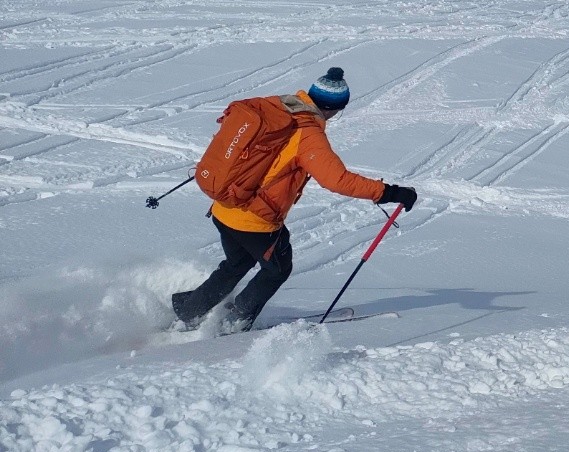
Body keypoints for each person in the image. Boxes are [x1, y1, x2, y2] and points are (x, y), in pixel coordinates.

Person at [171, 68, 418, 332]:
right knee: (277, 269)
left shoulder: (279, 108)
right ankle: (234, 323)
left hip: (225, 207)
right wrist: (390, 192)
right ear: (335, 108)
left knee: (236, 264)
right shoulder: (308, 135)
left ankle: (189, 310)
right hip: (253, 220)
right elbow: (336, 179)